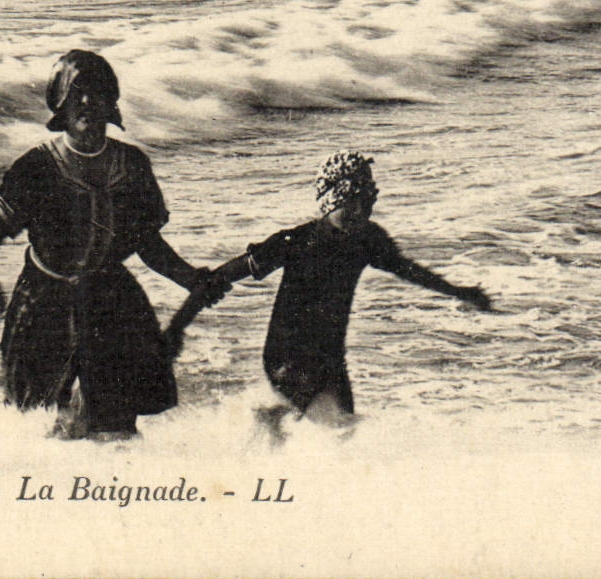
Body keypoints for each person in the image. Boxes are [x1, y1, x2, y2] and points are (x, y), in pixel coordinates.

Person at [0, 50, 226, 439]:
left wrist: (192, 278)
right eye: (76, 93)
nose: (86, 102)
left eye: (97, 92)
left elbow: (147, 244)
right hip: (43, 303)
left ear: (111, 102)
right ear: (60, 103)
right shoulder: (35, 168)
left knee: (116, 427)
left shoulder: (133, 165)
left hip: (109, 301)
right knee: (34, 426)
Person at [165, 152, 490, 428]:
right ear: (329, 201)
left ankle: (268, 425)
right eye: (348, 204)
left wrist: (461, 292)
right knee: (336, 426)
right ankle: (268, 438)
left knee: (344, 426)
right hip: (286, 355)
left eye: (365, 203)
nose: (358, 213)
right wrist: (177, 327)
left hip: (331, 357)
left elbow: (410, 271)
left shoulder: (368, 240)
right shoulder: (295, 241)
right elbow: (220, 278)